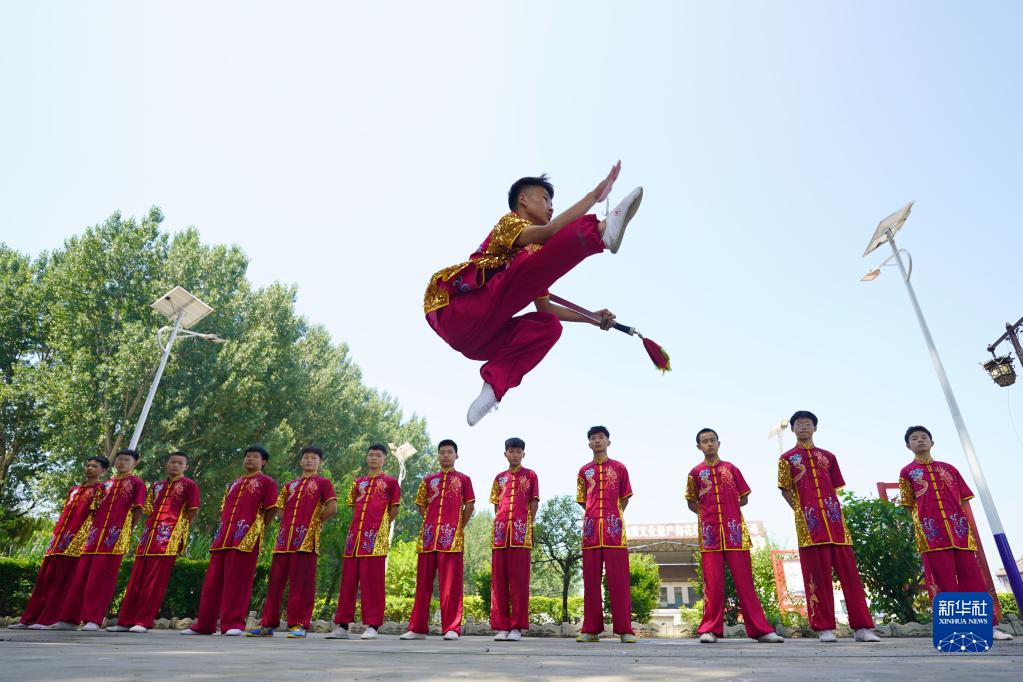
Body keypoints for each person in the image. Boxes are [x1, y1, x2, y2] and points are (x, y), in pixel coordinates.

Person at [423, 162, 643, 425]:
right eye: (545, 198)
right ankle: (600, 232)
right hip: (458, 312)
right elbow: (549, 233)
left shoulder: (533, 263)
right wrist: (593, 198)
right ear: (523, 200)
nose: (551, 207)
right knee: (533, 257)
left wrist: (591, 318)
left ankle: (493, 387)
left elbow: (546, 309)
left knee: (549, 326)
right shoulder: (510, 224)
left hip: (481, 340)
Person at [898, 425, 1012, 640]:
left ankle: (987, 627)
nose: (920, 440)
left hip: (959, 531)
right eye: (914, 438)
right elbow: (907, 505)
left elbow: (963, 500)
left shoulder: (950, 468)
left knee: (973, 579)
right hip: (931, 534)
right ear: (908, 445)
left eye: (924, 437)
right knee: (943, 582)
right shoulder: (906, 473)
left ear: (933, 443)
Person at [777, 411, 880, 643]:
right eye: (799, 424)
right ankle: (824, 628)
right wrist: (802, 512)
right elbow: (785, 489)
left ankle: (862, 627)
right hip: (809, 527)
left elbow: (836, 487)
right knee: (817, 577)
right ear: (792, 429)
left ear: (815, 428)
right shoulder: (786, 459)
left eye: (808, 424)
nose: (803, 427)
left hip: (836, 525)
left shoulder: (829, 456)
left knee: (851, 576)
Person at [685, 428, 784, 644]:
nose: (709, 444)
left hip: (735, 534)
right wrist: (709, 515)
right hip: (710, 536)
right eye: (704, 441)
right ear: (698, 446)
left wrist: (728, 510)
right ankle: (710, 629)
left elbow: (744, 498)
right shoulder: (695, 473)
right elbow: (691, 502)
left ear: (719, 443)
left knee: (745, 581)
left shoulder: (731, 469)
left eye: (712, 440)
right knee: (713, 583)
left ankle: (761, 630)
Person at [182, 445, 279, 636]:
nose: (250, 459)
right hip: (223, 538)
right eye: (247, 456)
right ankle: (204, 625)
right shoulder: (233, 483)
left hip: (246, 539)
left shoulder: (267, 482)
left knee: (238, 583)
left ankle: (232, 623)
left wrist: (257, 530)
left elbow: (272, 509)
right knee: (211, 584)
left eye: (255, 457)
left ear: (263, 461)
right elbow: (222, 510)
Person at [51, 449, 146, 631]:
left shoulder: (137, 483)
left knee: (102, 578)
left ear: (135, 463)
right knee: (81, 576)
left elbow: (138, 510)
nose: (122, 463)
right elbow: (93, 511)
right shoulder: (106, 484)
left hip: (114, 537)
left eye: (127, 460)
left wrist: (126, 531)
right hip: (93, 536)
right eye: (119, 460)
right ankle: (69, 619)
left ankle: (93, 619)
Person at [248, 446, 337, 639]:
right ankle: (267, 624)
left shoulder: (323, 482)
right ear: (300, 461)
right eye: (306, 458)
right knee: (275, 583)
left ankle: (299, 624)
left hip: (306, 540)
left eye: (313, 458)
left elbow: (332, 508)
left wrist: (317, 521)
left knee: (302, 584)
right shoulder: (290, 485)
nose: (309, 461)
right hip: (284, 540)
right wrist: (286, 523)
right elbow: (280, 508)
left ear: (319, 462)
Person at [109, 451, 200, 633]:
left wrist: (178, 531)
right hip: (148, 537)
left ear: (186, 467)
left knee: (155, 582)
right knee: (136, 579)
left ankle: (143, 621)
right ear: (166, 464)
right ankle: (125, 621)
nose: (175, 466)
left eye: (179, 463)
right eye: (172, 462)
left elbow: (192, 511)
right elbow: (149, 509)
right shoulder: (157, 486)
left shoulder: (189, 485)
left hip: (168, 540)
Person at [12, 456, 108, 629]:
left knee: (64, 581)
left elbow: (96, 518)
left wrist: (84, 541)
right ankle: (29, 619)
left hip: (77, 541)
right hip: (59, 538)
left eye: (94, 466)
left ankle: (48, 619)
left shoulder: (100, 490)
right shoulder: (74, 489)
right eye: (87, 465)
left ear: (103, 471)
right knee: (45, 579)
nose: (89, 468)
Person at [400, 439, 475, 640]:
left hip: (452, 540)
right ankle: (417, 628)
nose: (445, 455)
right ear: (438, 455)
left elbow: (469, 507)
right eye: (442, 452)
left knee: (450, 585)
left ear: (456, 455)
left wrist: (458, 526)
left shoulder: (464, 479)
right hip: (428, 538)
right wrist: (431, 522)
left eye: (449, 452)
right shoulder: (428, 480)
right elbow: (420, 506)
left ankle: (451, 628)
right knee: (422, 584)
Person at [327, 443, 400, 640]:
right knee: (348, 582)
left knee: (373, 582)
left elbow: (393, 510)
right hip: (354, 538)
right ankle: (342, 625)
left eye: (378, 455)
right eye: (371, 455)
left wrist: (381, 528)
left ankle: (373, 625)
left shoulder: (391, 482)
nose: (374, 458)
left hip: (376, 538)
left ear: (385, 459)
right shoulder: (357, 483)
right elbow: (353, 508)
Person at [575, 426, 636, 644]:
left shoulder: (619, 468)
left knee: (618, 581)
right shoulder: (584, 471)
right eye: (593, 438)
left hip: (614, 531)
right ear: (589, 443)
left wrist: (612, 515)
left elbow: (625, 498)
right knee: (590, 581)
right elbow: (583, 500)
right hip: (591, 531)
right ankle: (590, 629)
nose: (597, 441)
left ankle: (625, 630)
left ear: (609, 442)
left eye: (601, 437)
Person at [489, 437, 539, 642]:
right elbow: (495, 505)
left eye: (518, 451)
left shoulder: (531, 475)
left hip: (521, 533)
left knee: (518, 582)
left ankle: (517, 627)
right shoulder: (499, 478)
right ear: (505, 454)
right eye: (511, 451)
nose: (515, 454)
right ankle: (501, 626)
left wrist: (527, 525)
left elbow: (534, 502)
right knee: (499, 582)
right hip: (501, 534)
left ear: (523, 454)